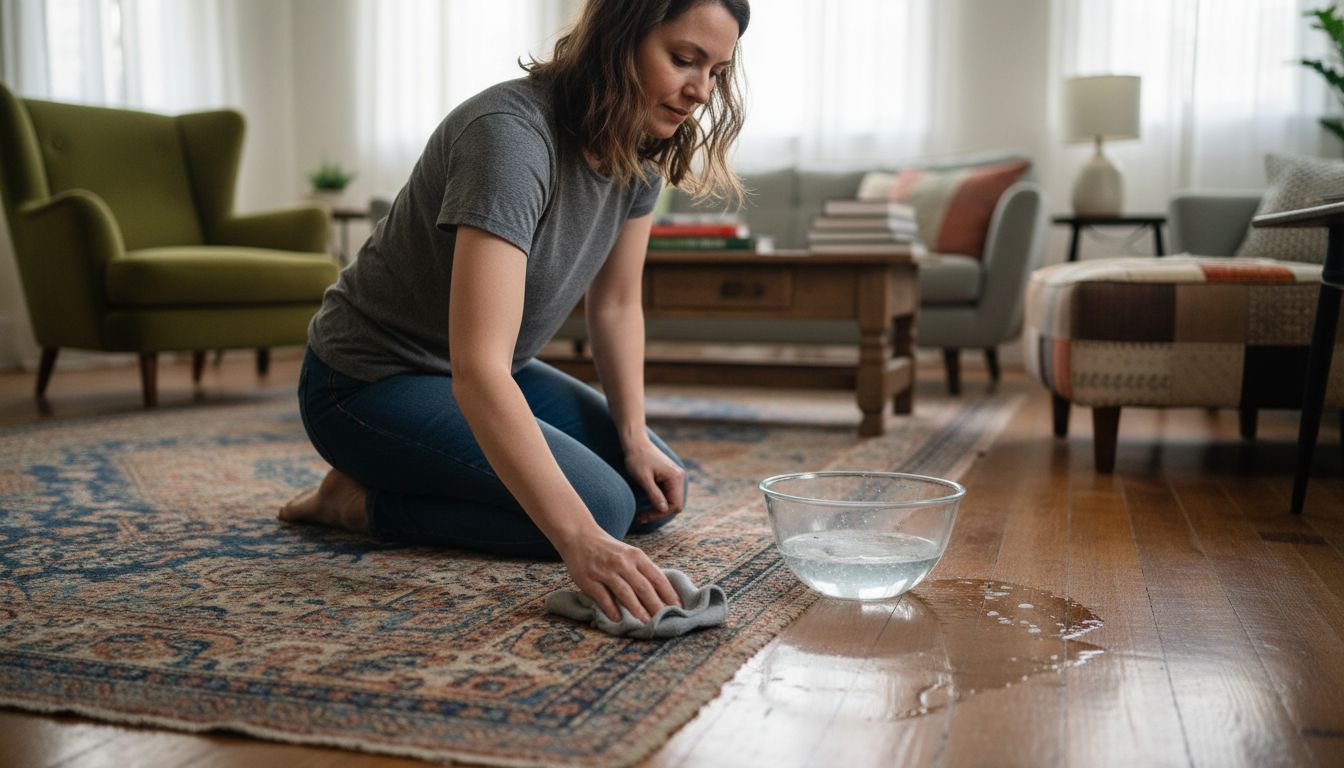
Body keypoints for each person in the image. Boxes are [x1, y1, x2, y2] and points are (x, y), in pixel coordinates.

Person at [279, 0, 750, 626]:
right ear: (618, 37)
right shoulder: (509, 136)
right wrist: (579, 542)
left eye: (716, 70)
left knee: (650, 491)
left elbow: (615, 304)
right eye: (683, 60)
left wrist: (634, 436)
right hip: (366, 383)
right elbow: (478, 371)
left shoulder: (642, 141)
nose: (699, 91)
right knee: (600, 512)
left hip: (492, 369)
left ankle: (411, 483)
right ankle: (354, 504)